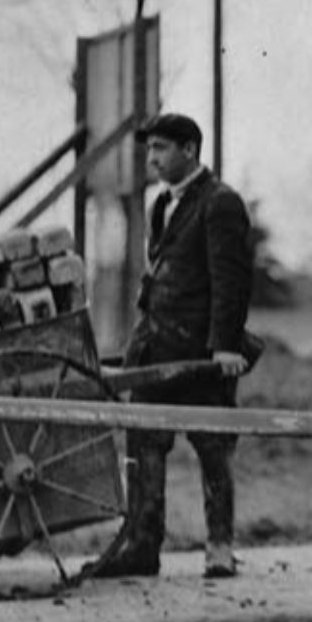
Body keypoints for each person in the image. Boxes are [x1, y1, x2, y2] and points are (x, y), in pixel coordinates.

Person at [87, 113, 255, 579]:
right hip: (157, 349)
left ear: (191, 151)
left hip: (202, 356)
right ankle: (142, 545)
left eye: (161, 149)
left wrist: (223, 347)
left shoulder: (221, 203)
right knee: (143, 446)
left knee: (214, 448)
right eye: (150, 150)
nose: (152, 159)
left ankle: (219, 547)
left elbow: (232, 281)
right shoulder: (163, 205)